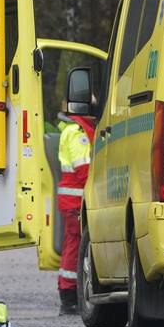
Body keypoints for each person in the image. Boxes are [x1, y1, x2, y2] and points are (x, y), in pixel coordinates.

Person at [56, 111, 95, 314]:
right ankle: (69, 294)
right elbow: (84, 169)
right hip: (75, 200)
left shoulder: (72, 130)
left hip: (73, 200)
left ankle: (68, 292)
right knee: (76, 247)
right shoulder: (77, 132)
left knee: (73, 246)